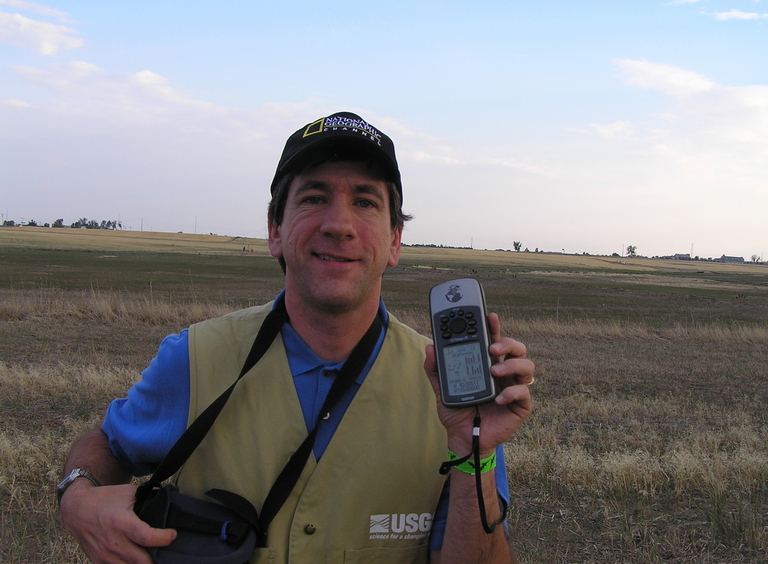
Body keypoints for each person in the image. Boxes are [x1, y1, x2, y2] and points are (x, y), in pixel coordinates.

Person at [58, 111, 534, 564]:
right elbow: (109, 444)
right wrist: (77, 497)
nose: (339, 224)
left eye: (365, 201)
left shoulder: (453, 397)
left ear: (394, 242)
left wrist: (476, 449)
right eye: (313, 197)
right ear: (274, 231)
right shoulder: (194, 359)